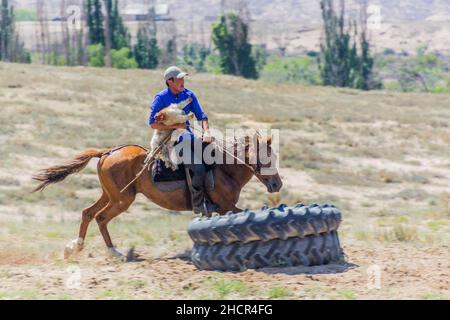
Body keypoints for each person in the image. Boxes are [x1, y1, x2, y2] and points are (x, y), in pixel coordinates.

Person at [149, 66, 216, 215]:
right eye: (179, 79)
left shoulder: (189, 95)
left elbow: (202, 116)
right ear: (169, 81)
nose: (182, 81)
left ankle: (213, 197)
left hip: (188, 137)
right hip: (170, 142)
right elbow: (152, 123)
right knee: (199, 168)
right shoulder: (160, 98)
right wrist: (176, 125)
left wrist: (206, 131)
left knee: (213, 157)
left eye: (183, 78)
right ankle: (198, 204)